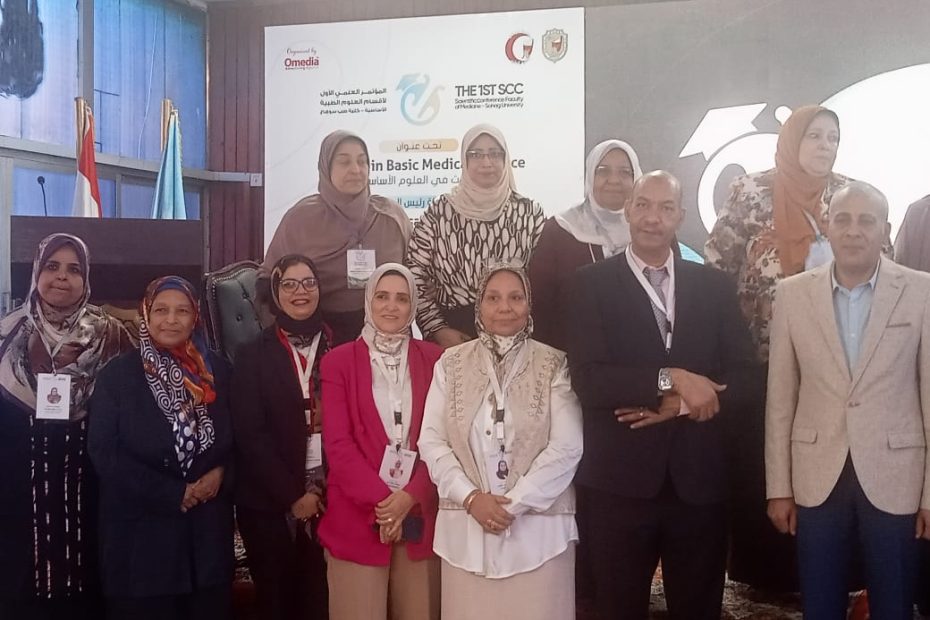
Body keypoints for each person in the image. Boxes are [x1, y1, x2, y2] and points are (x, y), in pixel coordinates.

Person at [568, 171, 757, 620]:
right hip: (619, 486)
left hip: (700, 486)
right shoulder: (589, 284)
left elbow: (747, 378)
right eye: (643, 205)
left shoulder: (714, 286)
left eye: (666, 208)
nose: (653, 218)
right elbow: (589, 379)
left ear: (681, 216)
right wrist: (670, 378)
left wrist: (681, 405)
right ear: (628, 210)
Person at [703, 104, 854, 591]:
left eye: (833, 137)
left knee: (823, 462)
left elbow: (877, 263)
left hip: (833, 365)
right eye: (815, 136)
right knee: (762, 461)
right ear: (791, 140)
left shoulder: (849, 197)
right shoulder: (750, 191)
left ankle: (828, 567)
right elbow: (718, 268)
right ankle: (765, 570)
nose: (825, 146)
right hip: (760, 358)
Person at [765, 182, 930, 619]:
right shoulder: (792, 294)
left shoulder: (922, 292)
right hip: (816, 473)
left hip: (897, 474)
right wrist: (778, 487)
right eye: (843, 219)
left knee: (894, 604)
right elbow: (780, 400)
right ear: (827, 226)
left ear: (886, 230)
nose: (854, 230)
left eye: (866, 221)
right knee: (819, 603)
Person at [419, 262, 583, 620]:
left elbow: (567, 447)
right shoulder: (450, 364)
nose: (504, 307)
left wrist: (514, 504)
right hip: (465, 532)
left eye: (515, 297)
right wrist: (471, 498)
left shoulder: (554, 364)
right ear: (479, 304)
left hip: (540, 536)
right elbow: (431, 441)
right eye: (493, 298)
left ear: (529, 304)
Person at [0, 233, 131, 620]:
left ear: (86, 278)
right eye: (52, 266)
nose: (62, 276)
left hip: (90, 489)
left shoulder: (113, 336)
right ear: (36, 273)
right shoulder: (6, 336)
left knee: (88, 586)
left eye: (74, 269)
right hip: (18, 492)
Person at [88, 276, 234, 620]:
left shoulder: (220, 372)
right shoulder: (116, 376)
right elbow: (104, 453)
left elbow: (242, 438)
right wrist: (173, 493)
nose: (171, 320)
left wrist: (222, 472)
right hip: (141, 550)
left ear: (195, 317)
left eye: (182, 311)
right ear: (146, 313)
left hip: (206, 549)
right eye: (161, 310)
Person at [318, 263, 443, 620]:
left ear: (413, 305)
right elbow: (338, 445)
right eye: (382, 296)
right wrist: (386, 504)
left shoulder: (436, 359)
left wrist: (410, 496)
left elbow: (443, 440)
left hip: (419, 515)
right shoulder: (338, 362)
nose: (391, 306)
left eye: (401, 298)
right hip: (356, 518)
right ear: (368, 301)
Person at [230, 255, 333, 619]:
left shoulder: (342, 347)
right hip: (269, 504)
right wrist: (294, 496)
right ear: (275, 292)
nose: (300, 291)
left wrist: (319, 493)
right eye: (289, 284)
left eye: (308, 282)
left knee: (321, 602)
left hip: (332, 500)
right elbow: (250, 434)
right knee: (276, 604)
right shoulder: (251, 354)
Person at [263, 130, 412, 345]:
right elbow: (269, 278)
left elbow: (416, 277)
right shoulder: (301, 219)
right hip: (317, 338)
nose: (356, 170)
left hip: (387, 334)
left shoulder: (391, 216)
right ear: (326, 168)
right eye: (344, 162)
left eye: (362, 161)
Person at [406, 124, 546, 348]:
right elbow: (414, 275)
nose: (486, 162)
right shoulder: (439, 212)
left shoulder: (529, 213)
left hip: (515, 334)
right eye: (476, 154)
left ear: (505, 159)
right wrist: (437, 329)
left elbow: (544, 280)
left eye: (495, 154)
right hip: (455, 334)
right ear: (464, 160)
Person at [528, 139, 642, 350]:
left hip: (640, 355)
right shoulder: (560, 229)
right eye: (603, 171)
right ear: (590, 175)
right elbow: (539, 304)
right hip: (570, 355)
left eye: (625, 172)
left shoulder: (650, 229)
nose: (614, 180)